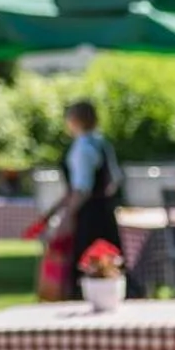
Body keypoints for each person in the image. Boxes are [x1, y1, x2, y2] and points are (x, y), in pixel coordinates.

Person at [55, 100, 123, 299]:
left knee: (89, 261)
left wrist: (68, 216)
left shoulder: (83, 148)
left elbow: (82, 189)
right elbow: (114, 180)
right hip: (105, 210)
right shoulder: (102, 143)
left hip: (88, 214)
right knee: (109, 261)